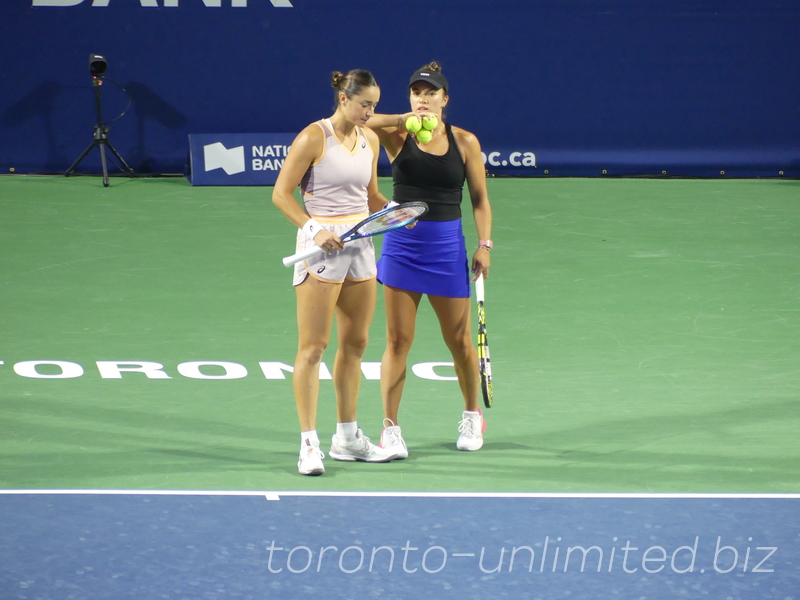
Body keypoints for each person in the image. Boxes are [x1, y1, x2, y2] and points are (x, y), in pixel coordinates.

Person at [272, 69, 397, 476]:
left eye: (374, 106)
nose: (370, 113)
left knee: (356, 343)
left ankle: (347, 438)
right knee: (313, 347)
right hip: (321, 246)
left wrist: (394, 211)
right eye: (366, 104)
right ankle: (309, 443)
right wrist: (313, 228)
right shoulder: (314, 137)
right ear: (344, 99)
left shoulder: (371, 140)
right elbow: (281, 194)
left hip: (361, 245)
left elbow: (370, 193)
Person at [367, 61, 493, 457]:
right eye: (416, 93)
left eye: (431, 93)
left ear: (445, 99)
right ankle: (390, 428)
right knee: (397, 340)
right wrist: (403, 119)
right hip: (402, 249)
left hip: (446, 250)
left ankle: (472, 414)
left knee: (458, 341)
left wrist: (484, 245)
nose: (423, 99)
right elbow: (361, 120)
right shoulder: (395, 135)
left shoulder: (466, 142)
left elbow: (479, 199)